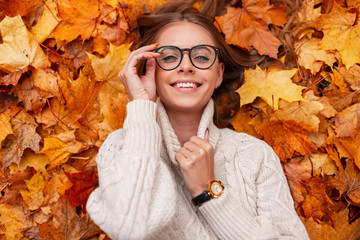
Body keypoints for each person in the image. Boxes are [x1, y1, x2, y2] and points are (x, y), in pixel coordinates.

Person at [86, 1, 310, 239]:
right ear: (150, 70)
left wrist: (208, 192)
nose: (186, 66)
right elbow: (130, 226)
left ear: (219, 74)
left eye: (201, 57)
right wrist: (141, 106)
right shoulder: (120, 147)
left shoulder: (254, 156)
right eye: (170, 56)